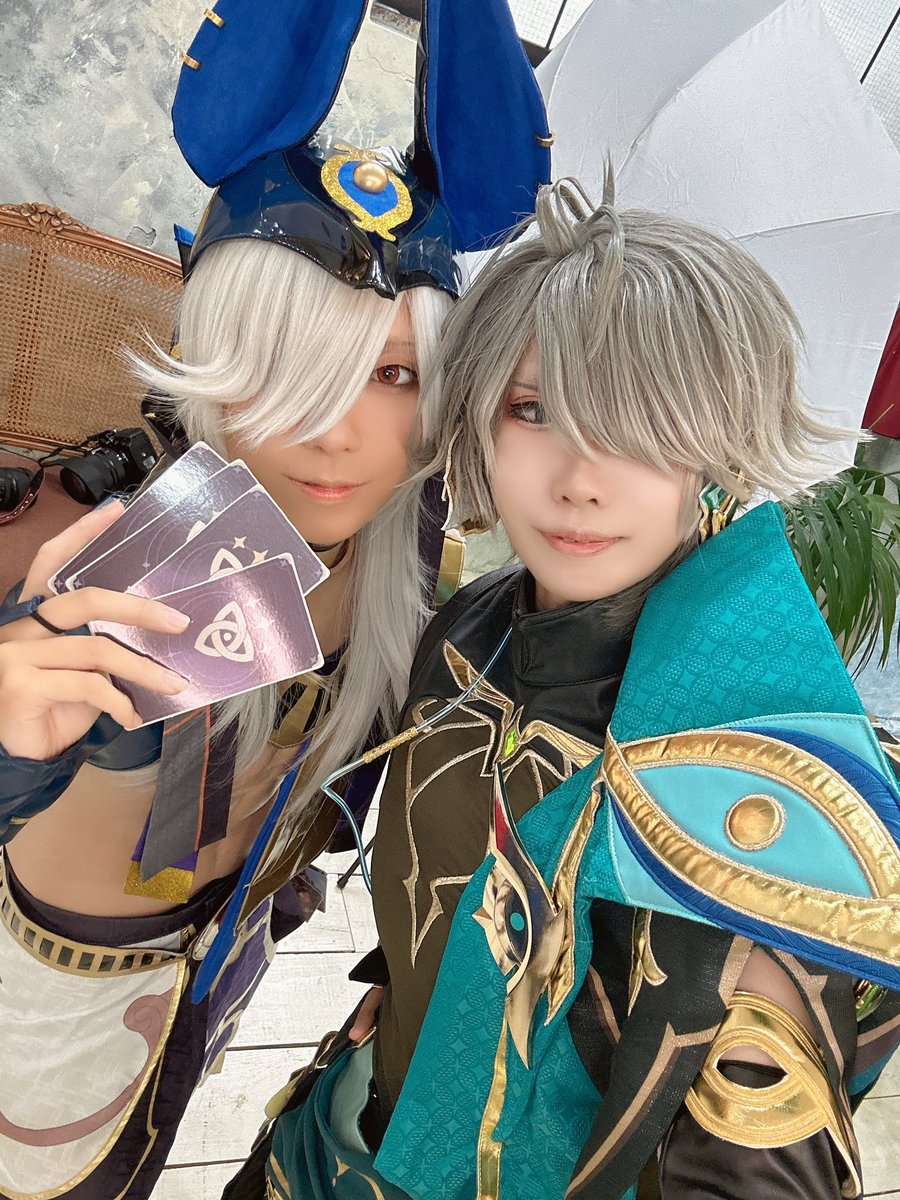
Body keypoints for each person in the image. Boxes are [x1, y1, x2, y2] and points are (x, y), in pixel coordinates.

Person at [256, 176, 900, 1200]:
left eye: (645, 425)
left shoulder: (753, 758)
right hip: (348, 1128)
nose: (581, 479)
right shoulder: (471, 624)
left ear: (719, 444)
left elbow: (762, 1147)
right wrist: (400, 995)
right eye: (536, 410)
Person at [0, 1, 550, 1196]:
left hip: (220, 970)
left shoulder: (405, 545)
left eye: (393, 374)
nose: (339, 431)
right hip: (41, 1003)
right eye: (289, 366)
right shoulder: (107, 547)